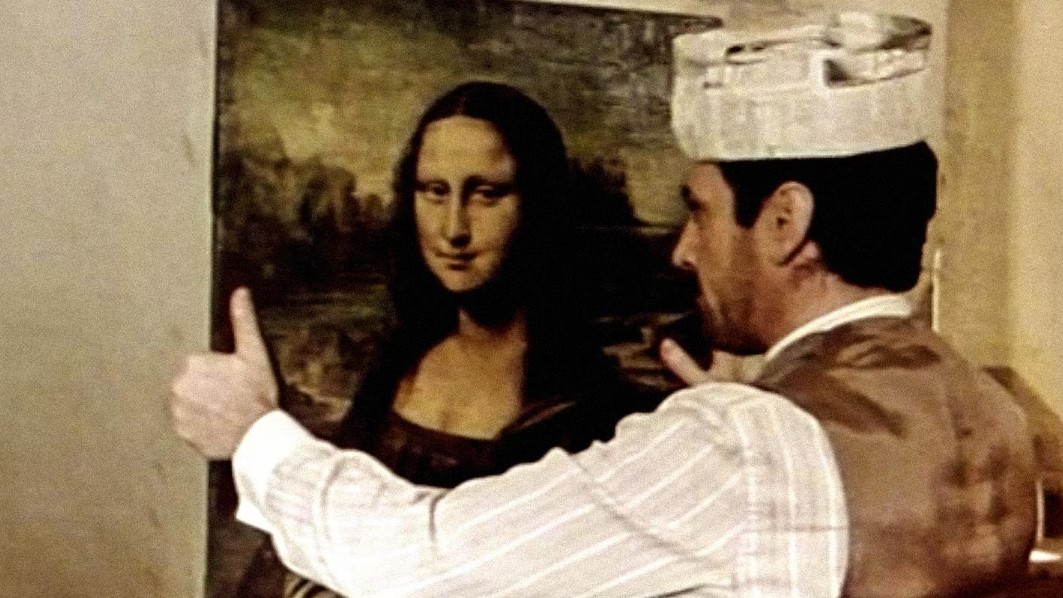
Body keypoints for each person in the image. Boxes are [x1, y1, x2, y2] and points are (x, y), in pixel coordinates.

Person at [171, 13, 1039, 597]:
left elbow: (420, 562)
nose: (684, 249)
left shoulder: (737, 447)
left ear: (785, 222)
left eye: (700, 212)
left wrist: (254, 434)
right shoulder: (989, 412)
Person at [263, 81, 662, 597]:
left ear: (536, 204)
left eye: (485, 194)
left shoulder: (585, 406)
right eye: (434, 191)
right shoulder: (397, 363)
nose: (453, 229)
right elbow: (317, 536)